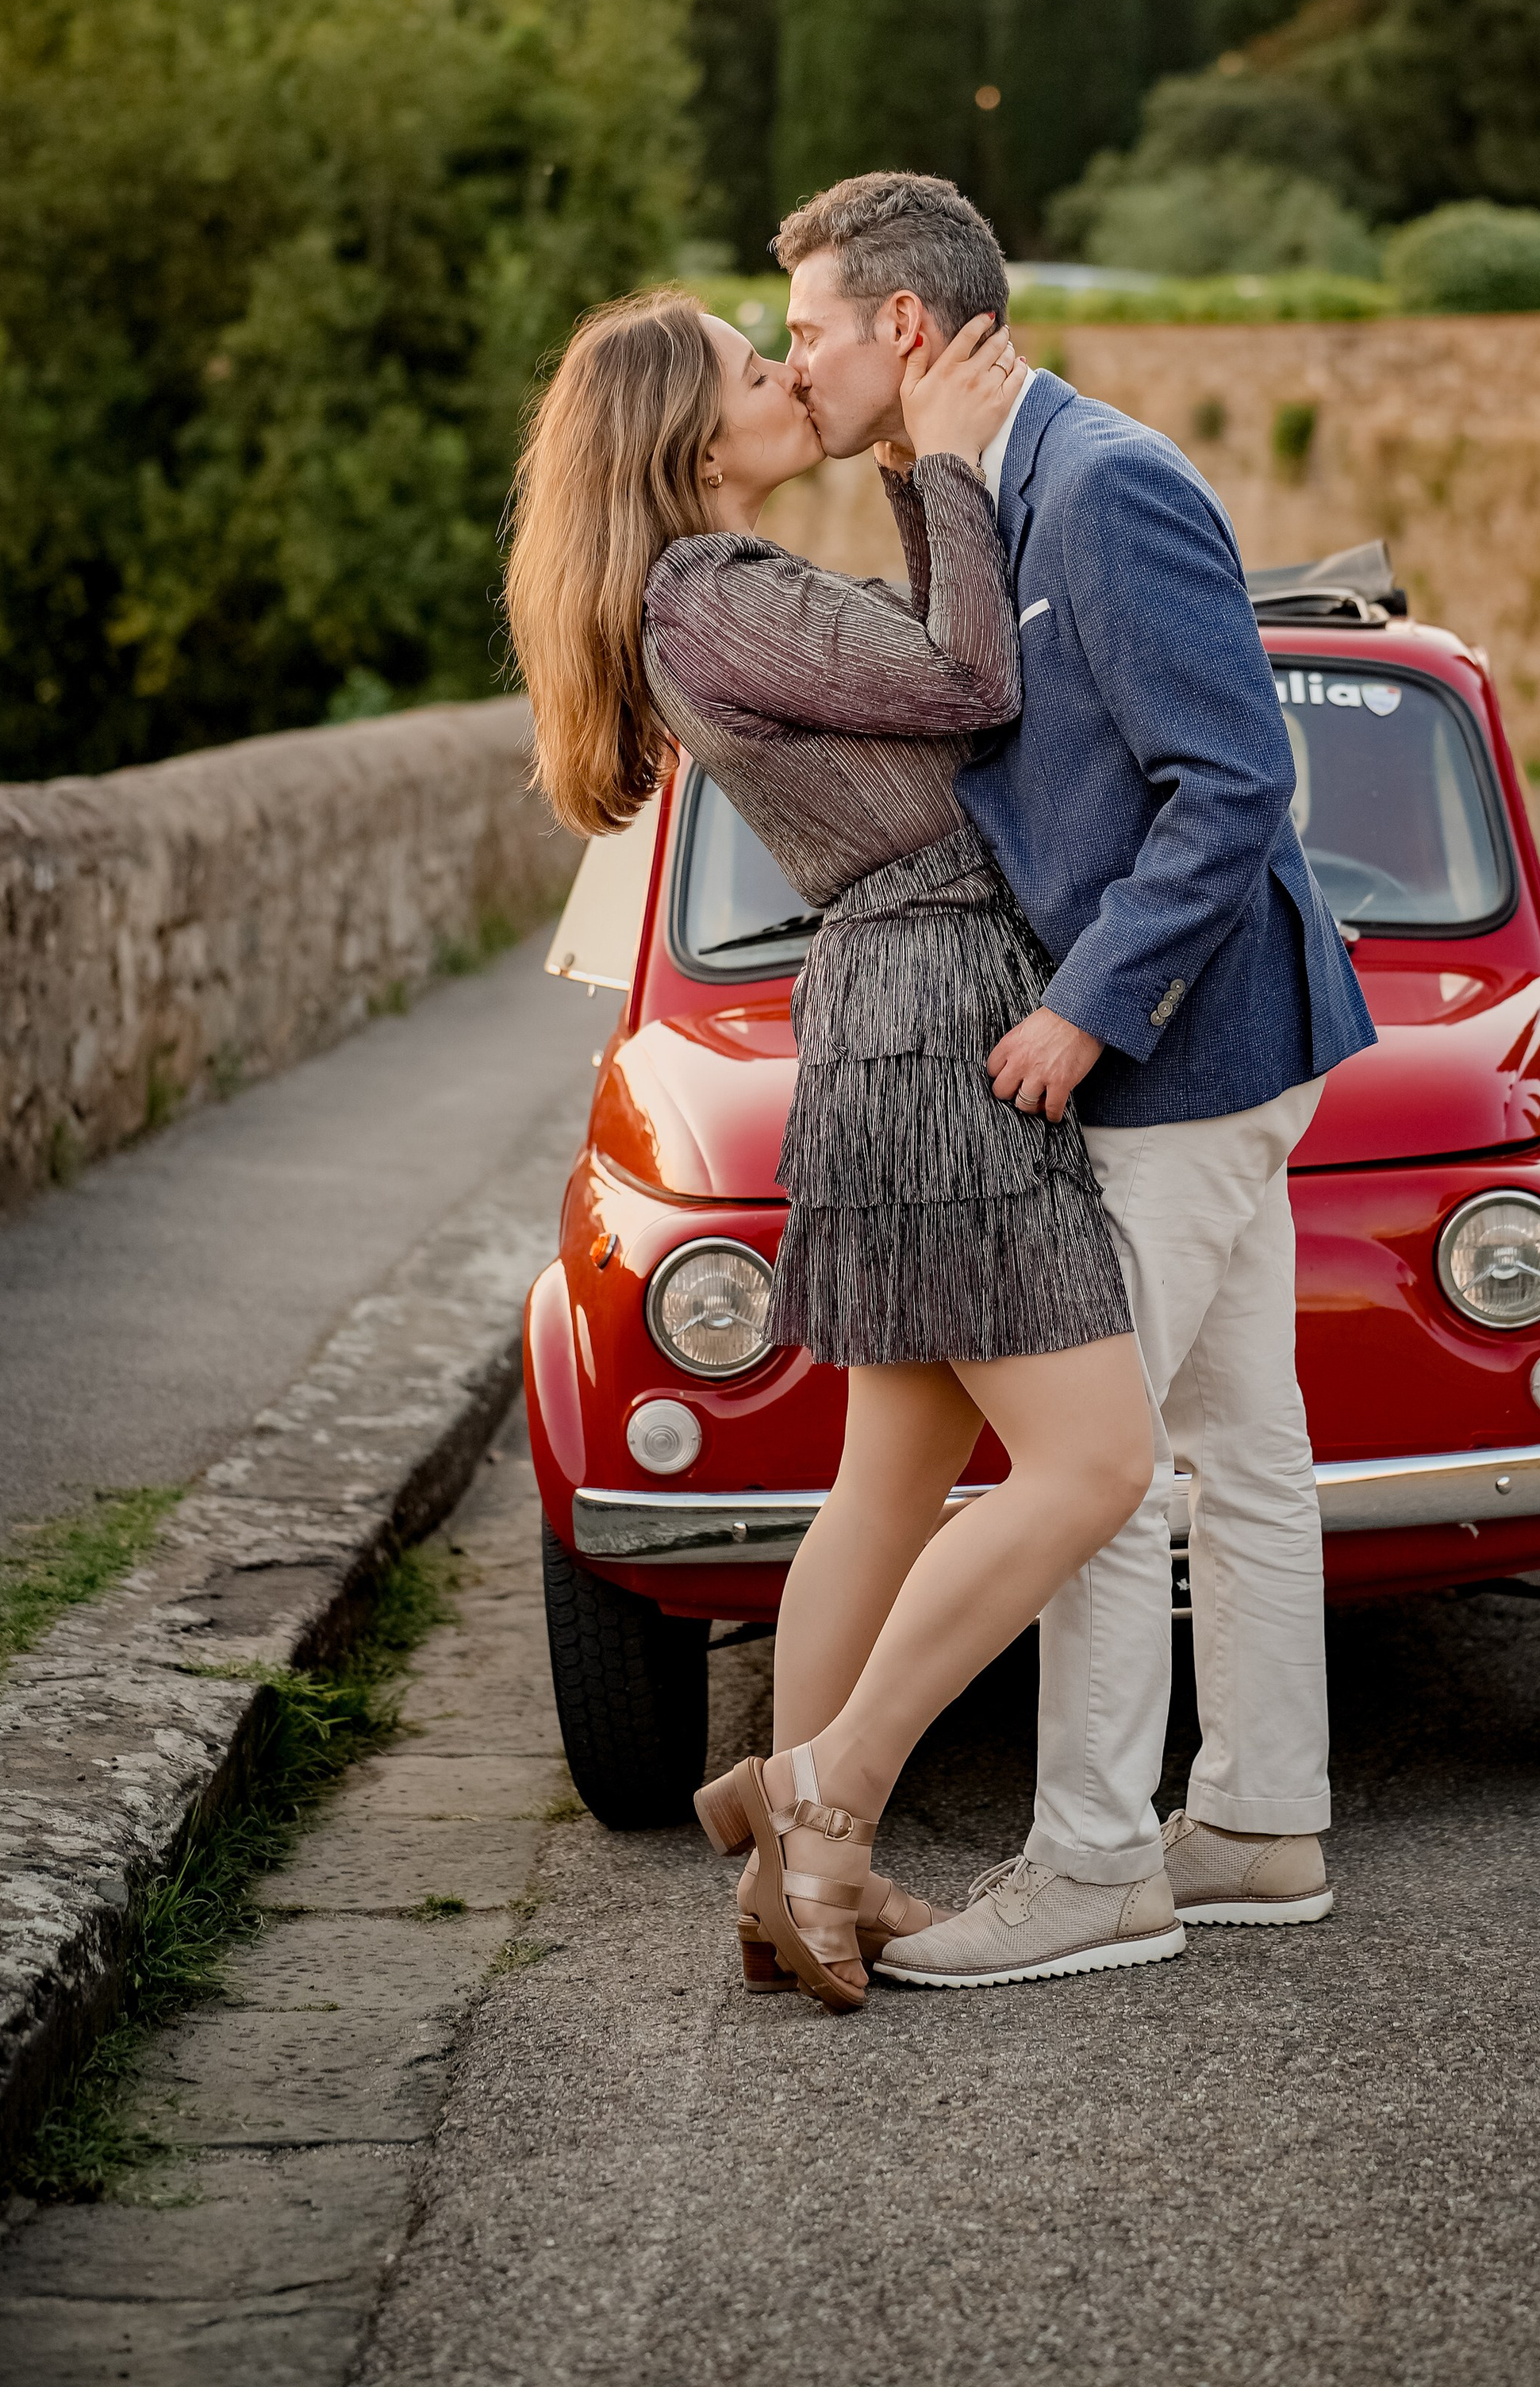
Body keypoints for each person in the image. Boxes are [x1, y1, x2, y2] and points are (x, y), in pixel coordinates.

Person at [503, 289, 1159, 2013]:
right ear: (688, 440)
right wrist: (938, 465)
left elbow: (918, 690)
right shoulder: (710, 592)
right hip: (933, 1013)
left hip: (895, 1008)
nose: (787, 373)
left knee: (887, 1476)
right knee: (1095, 1464)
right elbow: (963, 672)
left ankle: (813, 1883)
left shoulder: (702, 599)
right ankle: (823, 1790)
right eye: (752, 366)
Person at [778, 171, 1377, 1990]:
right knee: (1242, 1451)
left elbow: (1232, 783)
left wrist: (1085, 1013)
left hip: (1186, 1050)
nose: (790, 367)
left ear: (902, 325)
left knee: (1085, 1460)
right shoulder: (959, 491)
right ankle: (1262, 1825)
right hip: (1221, 1050)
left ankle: (1098, 1866)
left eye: (804, 332)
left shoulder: (1102, 485)